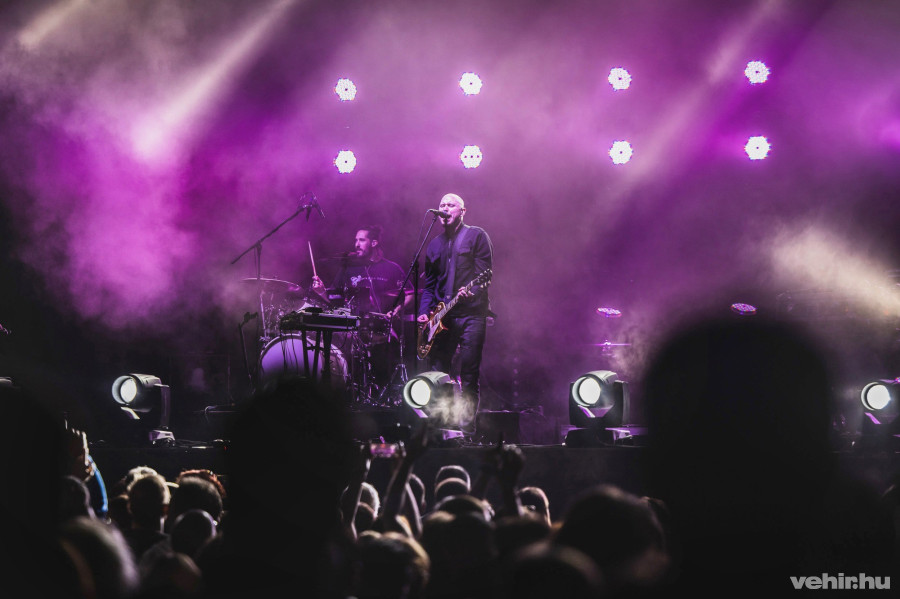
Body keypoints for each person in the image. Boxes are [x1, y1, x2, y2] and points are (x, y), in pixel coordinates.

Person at [417, 193, 493, 434]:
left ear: (463, 211)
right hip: (443, 317)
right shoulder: (434, 244)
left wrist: (473, 292)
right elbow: (429, 285)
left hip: (471, 314)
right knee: (439, 372)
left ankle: (468, 429)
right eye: (442, 205)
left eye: (451, 205)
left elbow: (484, 275)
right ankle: (444, 425)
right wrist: (424, 313)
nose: (445, 208)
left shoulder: (476, 235)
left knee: (469, 372)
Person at [311, 225, 411, 391]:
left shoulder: (391, 268)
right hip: (352, 331)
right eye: (355, 240)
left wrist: (396, 311)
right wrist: (321, 292)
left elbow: (410, 294)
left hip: (381, 329)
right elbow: (334, 300)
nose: (356, 244)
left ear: (374, 243)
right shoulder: (348, 269)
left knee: (384, 367)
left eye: (361, 240)